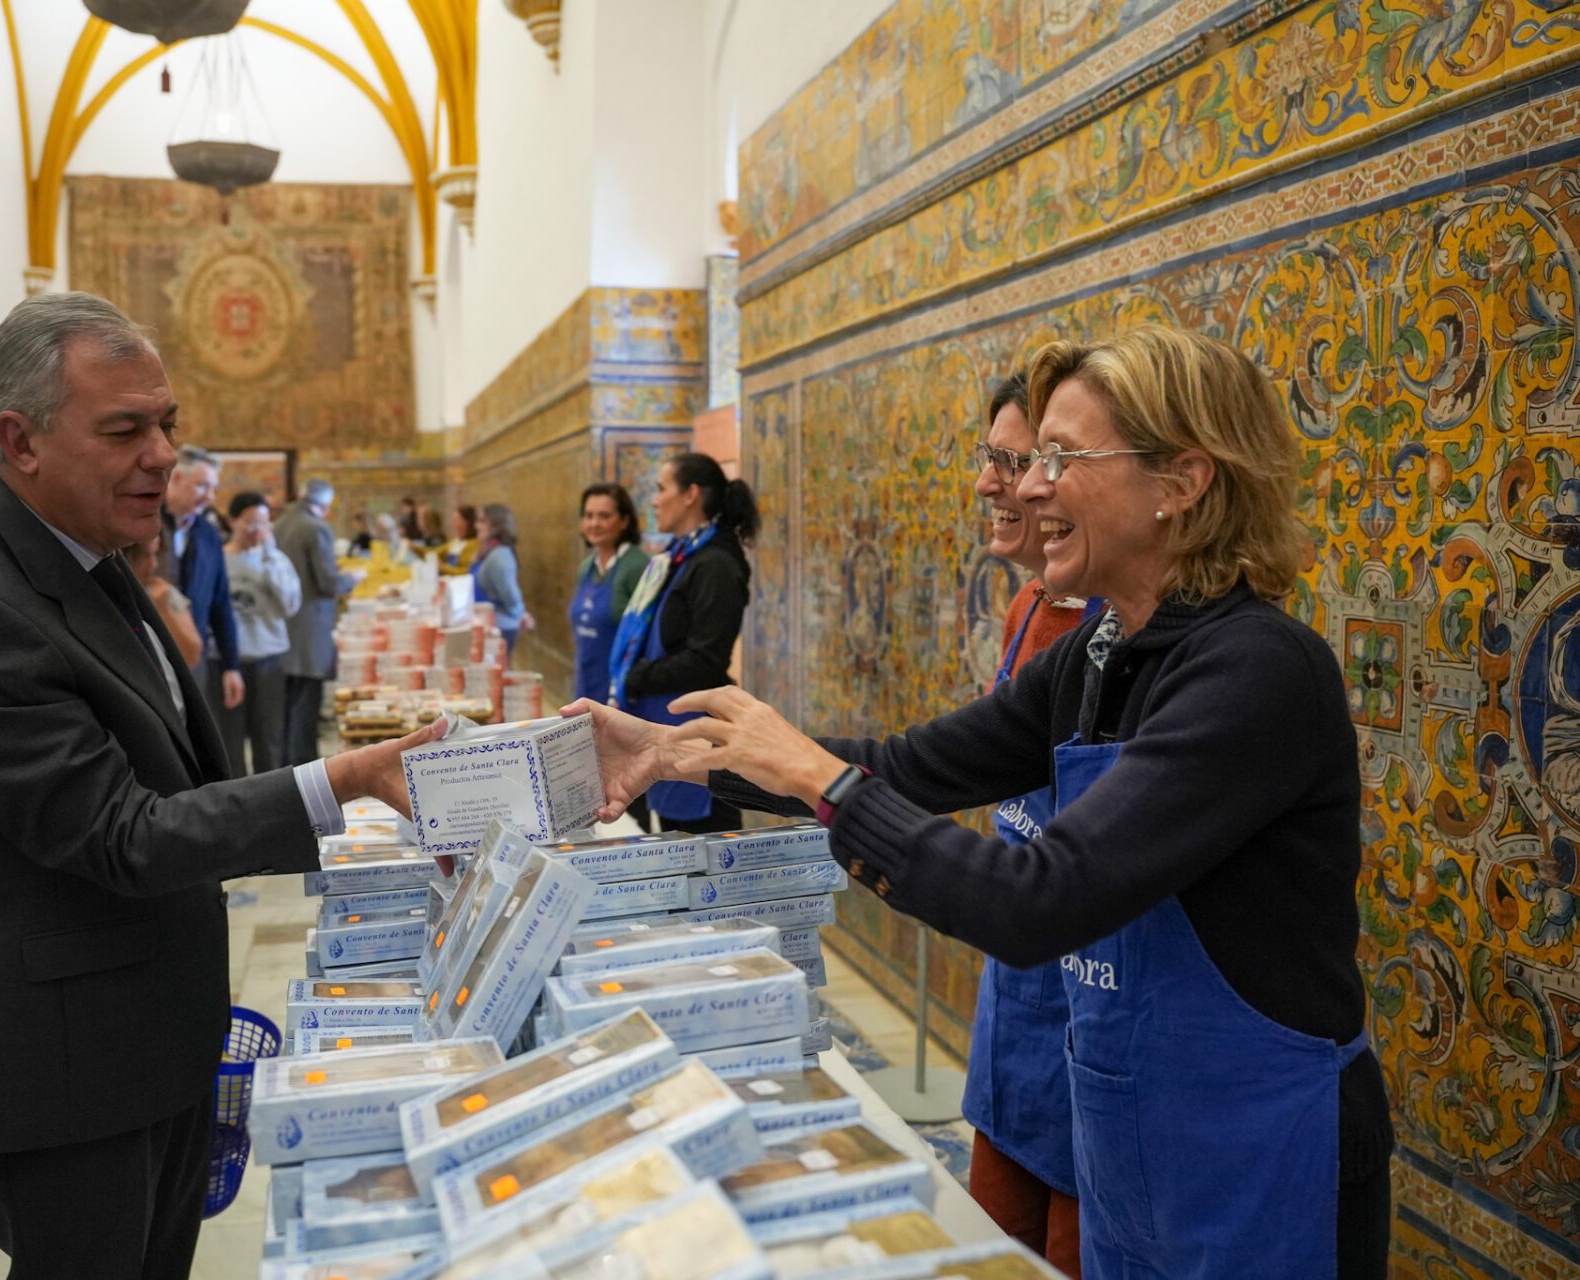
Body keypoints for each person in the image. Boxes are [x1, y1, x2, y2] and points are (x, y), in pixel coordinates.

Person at [569, 327, 1393, 1279]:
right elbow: (909, 766)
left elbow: (1039, 898)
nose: (1030, 487)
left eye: (1062, 458)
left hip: (1261, 1155)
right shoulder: (1093, 657)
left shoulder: (1257, 671)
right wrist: (674, 755)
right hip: (1133, 1141)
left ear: (1182, 481)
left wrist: (819, 780)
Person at [0, 292, 440, 1278]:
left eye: (167, 423)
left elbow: (176, 774)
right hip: (68, 1070)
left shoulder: (85, 556)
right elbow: (122, 834)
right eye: (125, 429)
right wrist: (343, 780)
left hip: (152, 1034)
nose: (164, 454)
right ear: (21, 439)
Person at [959, 370, 1099, 1275]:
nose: (997, 484)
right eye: (1000, 459)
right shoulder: (1025, 608)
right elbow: (932, 761)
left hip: (1092, 994)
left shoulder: (1144, 646)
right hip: (1017, 984)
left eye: (1021, 461)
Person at [607, 452, 759, 835]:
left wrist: (638, 677)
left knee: (707, 843)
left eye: (661, 489)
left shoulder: (716, 564)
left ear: (690, 494)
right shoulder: (678, 557)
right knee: (672, 836)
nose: (655, 501)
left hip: (697, 728)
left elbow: (706, 659)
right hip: (666, 717)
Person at [275, 478, 361, 766]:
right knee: (306, 703)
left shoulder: (280, 523)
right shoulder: (316, 527)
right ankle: (304, 765)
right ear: (324, 504)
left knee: (288, 703)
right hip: (310, 626)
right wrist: (352, 578)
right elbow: (327, 582)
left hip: (284, 624)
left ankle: (286, 764)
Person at [158, 445, 244, 728]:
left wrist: (231, 665)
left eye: (213, 488)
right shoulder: (143, 524)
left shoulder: (208, 534)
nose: (210, 497)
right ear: (176, 478)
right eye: (202, 486)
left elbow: (221, 601)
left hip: (193, 654)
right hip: (148, 655)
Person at [222, 490, 302, 775]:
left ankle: (272, 798)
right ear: (232, 521)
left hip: (268, 658)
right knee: (229, 743)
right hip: (226, 662)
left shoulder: (277, 560)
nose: (257, 530)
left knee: (269, 739)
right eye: (250, 523)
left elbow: (290, 605)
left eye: (264, 523)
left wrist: (269, 560)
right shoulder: (219, 559)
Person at [570, 483, 649, 704]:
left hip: (622, 691)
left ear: (624, 521)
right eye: (589, 516)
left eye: (604, 516)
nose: (594, 523)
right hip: (587, 680)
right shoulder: (587, 567)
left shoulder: (637, 567)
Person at [124, 532, 204, 667]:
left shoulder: (163, 592)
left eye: (156, 554)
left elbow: (193, 655)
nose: (153, 564)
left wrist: (163, 610)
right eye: (145, 556)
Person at [471, 504, 533, 658]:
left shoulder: (500, 556)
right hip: (489, 624)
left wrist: (521, 614)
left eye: (482, 521)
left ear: (496, 525)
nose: (476, 526)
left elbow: (510, 595)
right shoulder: (488, 552)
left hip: (500, 627)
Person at [439, 503, 477, 575]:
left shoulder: (474, 544)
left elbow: (467, 571)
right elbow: (437, 551)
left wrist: (443, 567)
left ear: (467, 523)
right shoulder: (455, 542)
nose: (453, 524)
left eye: (457, 520)